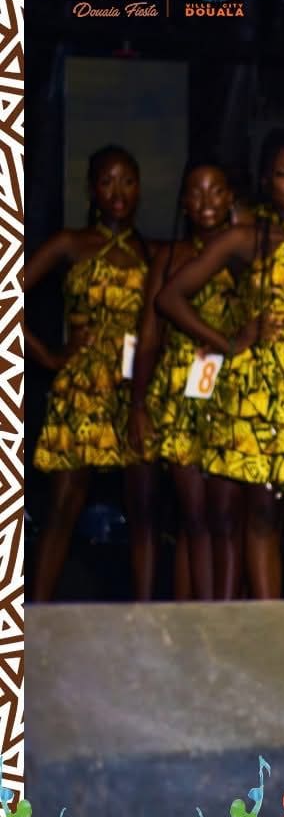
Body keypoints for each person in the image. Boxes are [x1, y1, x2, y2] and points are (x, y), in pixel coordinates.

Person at [157, 136, 284, 600]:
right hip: (260, 389)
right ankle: (265, 627)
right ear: (267, 181)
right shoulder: (246, 238)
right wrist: (228, 343)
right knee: (263, 513)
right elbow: (170, 297)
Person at [27, 145, 159, 601]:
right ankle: (35, 617)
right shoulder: (70, 243)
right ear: (91, 189)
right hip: (84, 386)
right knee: (64, 507)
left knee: (143, 511)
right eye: (107, 181)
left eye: (128, 181)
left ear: (139, 188)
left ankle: (147, 620)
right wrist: (47, 356)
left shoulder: (152, 251)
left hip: (135, 386)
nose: (118, 192)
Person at [129, 160, 244, 601]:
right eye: (196, 192)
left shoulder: (244, 250)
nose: (206, 201)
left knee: (226, 515)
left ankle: (225, 616)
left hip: (232, 390)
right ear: (183, 203)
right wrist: (138, 406)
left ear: (230, 198)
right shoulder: (170, 256)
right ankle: (192, 619)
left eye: (215, 191)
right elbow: (149, 335)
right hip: (180, 392)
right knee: (193, 515)